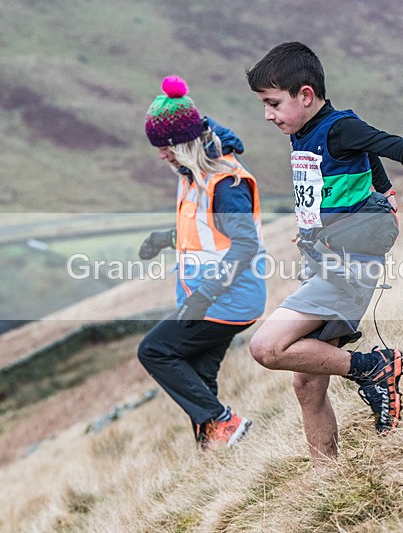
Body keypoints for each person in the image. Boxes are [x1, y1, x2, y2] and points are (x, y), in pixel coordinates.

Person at [246, 42, 403, 464]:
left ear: (305, 95)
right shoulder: (303, 131)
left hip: (347, 269)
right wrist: (377, 194)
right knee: (307, 384)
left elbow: (400, 147)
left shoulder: (339, 127)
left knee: (266, 347)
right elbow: (356, 167)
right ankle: (326, 482)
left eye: (273, 103)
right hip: (324, 261)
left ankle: (375, 369)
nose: (268, 114)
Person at [137, 75, 266, 449]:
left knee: (155, 350)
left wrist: (204, 295)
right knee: (197, 376)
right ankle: (212, 450)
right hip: (214, 299)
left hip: (225, 301)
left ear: (183, 142)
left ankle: (224, 423)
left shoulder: (225, 183)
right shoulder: (194, 174)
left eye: (165, 146)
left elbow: (244, 245)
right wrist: (165, 239)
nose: (161, 154)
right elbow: (205, 232)